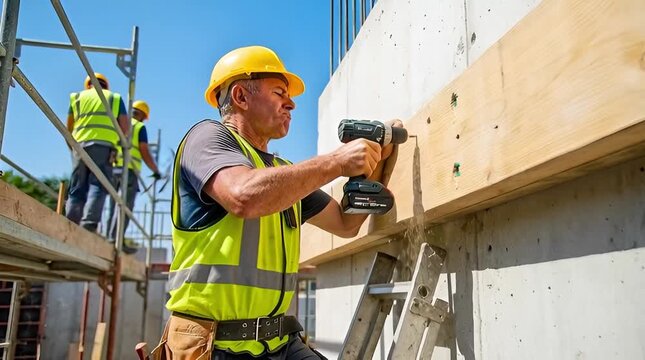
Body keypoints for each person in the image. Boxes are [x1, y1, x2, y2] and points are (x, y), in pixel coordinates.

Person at [156, 46, 402, 359]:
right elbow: (243, 196)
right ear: (241, 97)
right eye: (278, 93)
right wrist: (338, 162)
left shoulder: (279, 173)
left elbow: (345, 223)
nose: (291, 103)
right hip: (215, 346)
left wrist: (378, 155)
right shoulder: (206, 138)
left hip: (277, 343)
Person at [65, 73, 129, 232]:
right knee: (98, 185)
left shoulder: (77, 97)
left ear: (88, 84)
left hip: (79, 145)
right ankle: (88, 224)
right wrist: (119, 145)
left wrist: (72, 147)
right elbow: (125, 128)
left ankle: (70, 222)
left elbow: (69, 127)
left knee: (77, 186)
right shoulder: (114, 98)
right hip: (104, 146)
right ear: (106, 85)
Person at [105, 100, 161, 252]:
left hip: (113, 168)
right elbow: (144, 151)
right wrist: (156, 170)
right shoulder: (139, 127)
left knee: (112, 206)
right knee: (125, 207)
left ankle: (110, 238)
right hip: (128, 171)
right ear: (143, 115)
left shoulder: (119, 124)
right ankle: (118, 240)